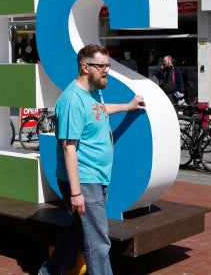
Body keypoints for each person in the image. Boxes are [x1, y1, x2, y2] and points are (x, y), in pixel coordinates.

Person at [39, 44, 145, 275]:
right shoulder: (71, 101)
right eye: (102, 66)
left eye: (107, 65)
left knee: (81, 230)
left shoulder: (93, 91)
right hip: (84, 181)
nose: (106, 70)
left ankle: (50, 271)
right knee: (98, 241)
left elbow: (99, 110)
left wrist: (128, 106)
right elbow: (69, 148)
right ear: (85, 67)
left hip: (97, 177)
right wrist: (76, 193)